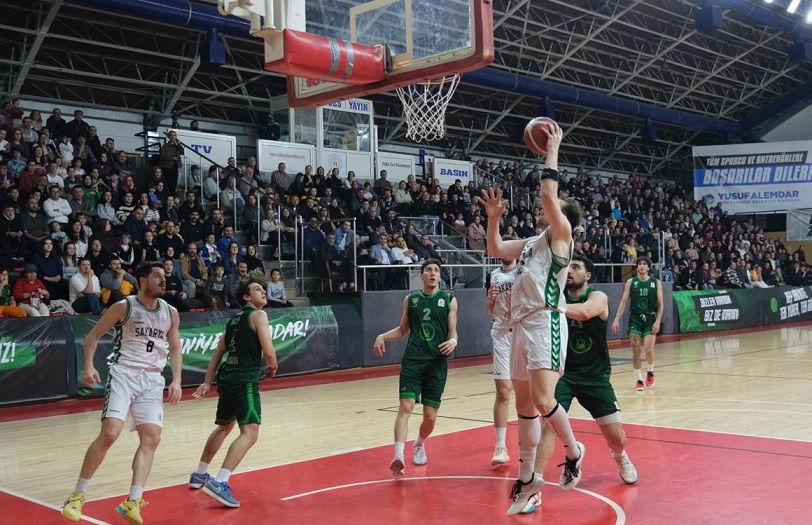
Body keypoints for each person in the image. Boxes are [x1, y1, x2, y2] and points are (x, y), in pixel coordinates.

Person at [477, 120, 586, 516]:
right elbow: (495, 247)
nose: (544, 207)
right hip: (520, 326)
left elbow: (546, 191)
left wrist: (552, 148)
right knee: (525, 409)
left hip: (547, 321)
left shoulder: (561, 235)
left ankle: (574, 451)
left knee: (543, 400)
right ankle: (527, 482)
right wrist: (493, 216)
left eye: (551, 206)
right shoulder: (531, 244)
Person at [61, 262, 182, 524]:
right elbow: (92, 336)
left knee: (152, 439)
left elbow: (174, 348)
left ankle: (133, 501)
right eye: (157, 276)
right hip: (123, 374)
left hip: (151, 380)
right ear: (142, 280)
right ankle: (77, 496)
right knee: (110, 433)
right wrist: (90, 366)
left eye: (165, 276)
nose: (164, 280)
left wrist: (177, 381)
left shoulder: (171, 312)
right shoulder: (124, 306)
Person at [522, 256, 638, 515]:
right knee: (548, 426)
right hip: (563, 375)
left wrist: (551, 305)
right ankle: (534, 488)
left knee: (616, 438)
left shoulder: (598, 297)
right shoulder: (557, 296)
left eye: (577, 267)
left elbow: (585, 312)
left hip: (596, 378)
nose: (570, 270)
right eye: (569, 266)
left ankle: (619, 456)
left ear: (588, 275)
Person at [189, 279, 278, 508]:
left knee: (224, 426)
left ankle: (200, 474)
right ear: (247, 297)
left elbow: (218, 353)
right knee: (251, 432)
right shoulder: (258, 316)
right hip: (244, 379)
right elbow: (268, 351)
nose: (263, 291)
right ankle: (220, 481)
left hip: (227, 379)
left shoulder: (232, 321)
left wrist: (208, 382)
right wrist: (273, 365)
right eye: (258, 288)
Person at [373, 259, 458, 476]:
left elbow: (452, 332)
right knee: (406, 407)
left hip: (437, 364)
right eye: (428, 270)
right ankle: (398, 456)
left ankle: (419, 443)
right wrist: (382, 336)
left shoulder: (448, 300)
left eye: (436, 271)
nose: (433, 273)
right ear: (421, 276)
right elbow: (402, 330)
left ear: (440, 276)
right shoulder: (411, 300)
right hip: (413, 361)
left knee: (430, 417)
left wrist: (453, 342)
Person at [611, 256, 663, 392]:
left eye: (644, 264)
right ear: (637, 267)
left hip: (650, 318)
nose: (641, 266)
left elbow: (661, 304)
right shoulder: (630, 282)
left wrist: (658, 320)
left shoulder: (656, 282)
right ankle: (639, 380)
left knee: (648, 350)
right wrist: (616, 318)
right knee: (635, 349)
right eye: (639, 264)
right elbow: (623, 302)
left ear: (648, 267)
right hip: (635, 319)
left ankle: (650, 370)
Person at [485, 256, 518, 469]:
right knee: (504, 392)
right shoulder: (493, 275)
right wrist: (489, 301)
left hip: (524, 331)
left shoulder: (524, 270)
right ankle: (500, 446)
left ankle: (531, 440)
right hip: (501, 332)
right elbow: (489, 309)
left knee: (529, 392)